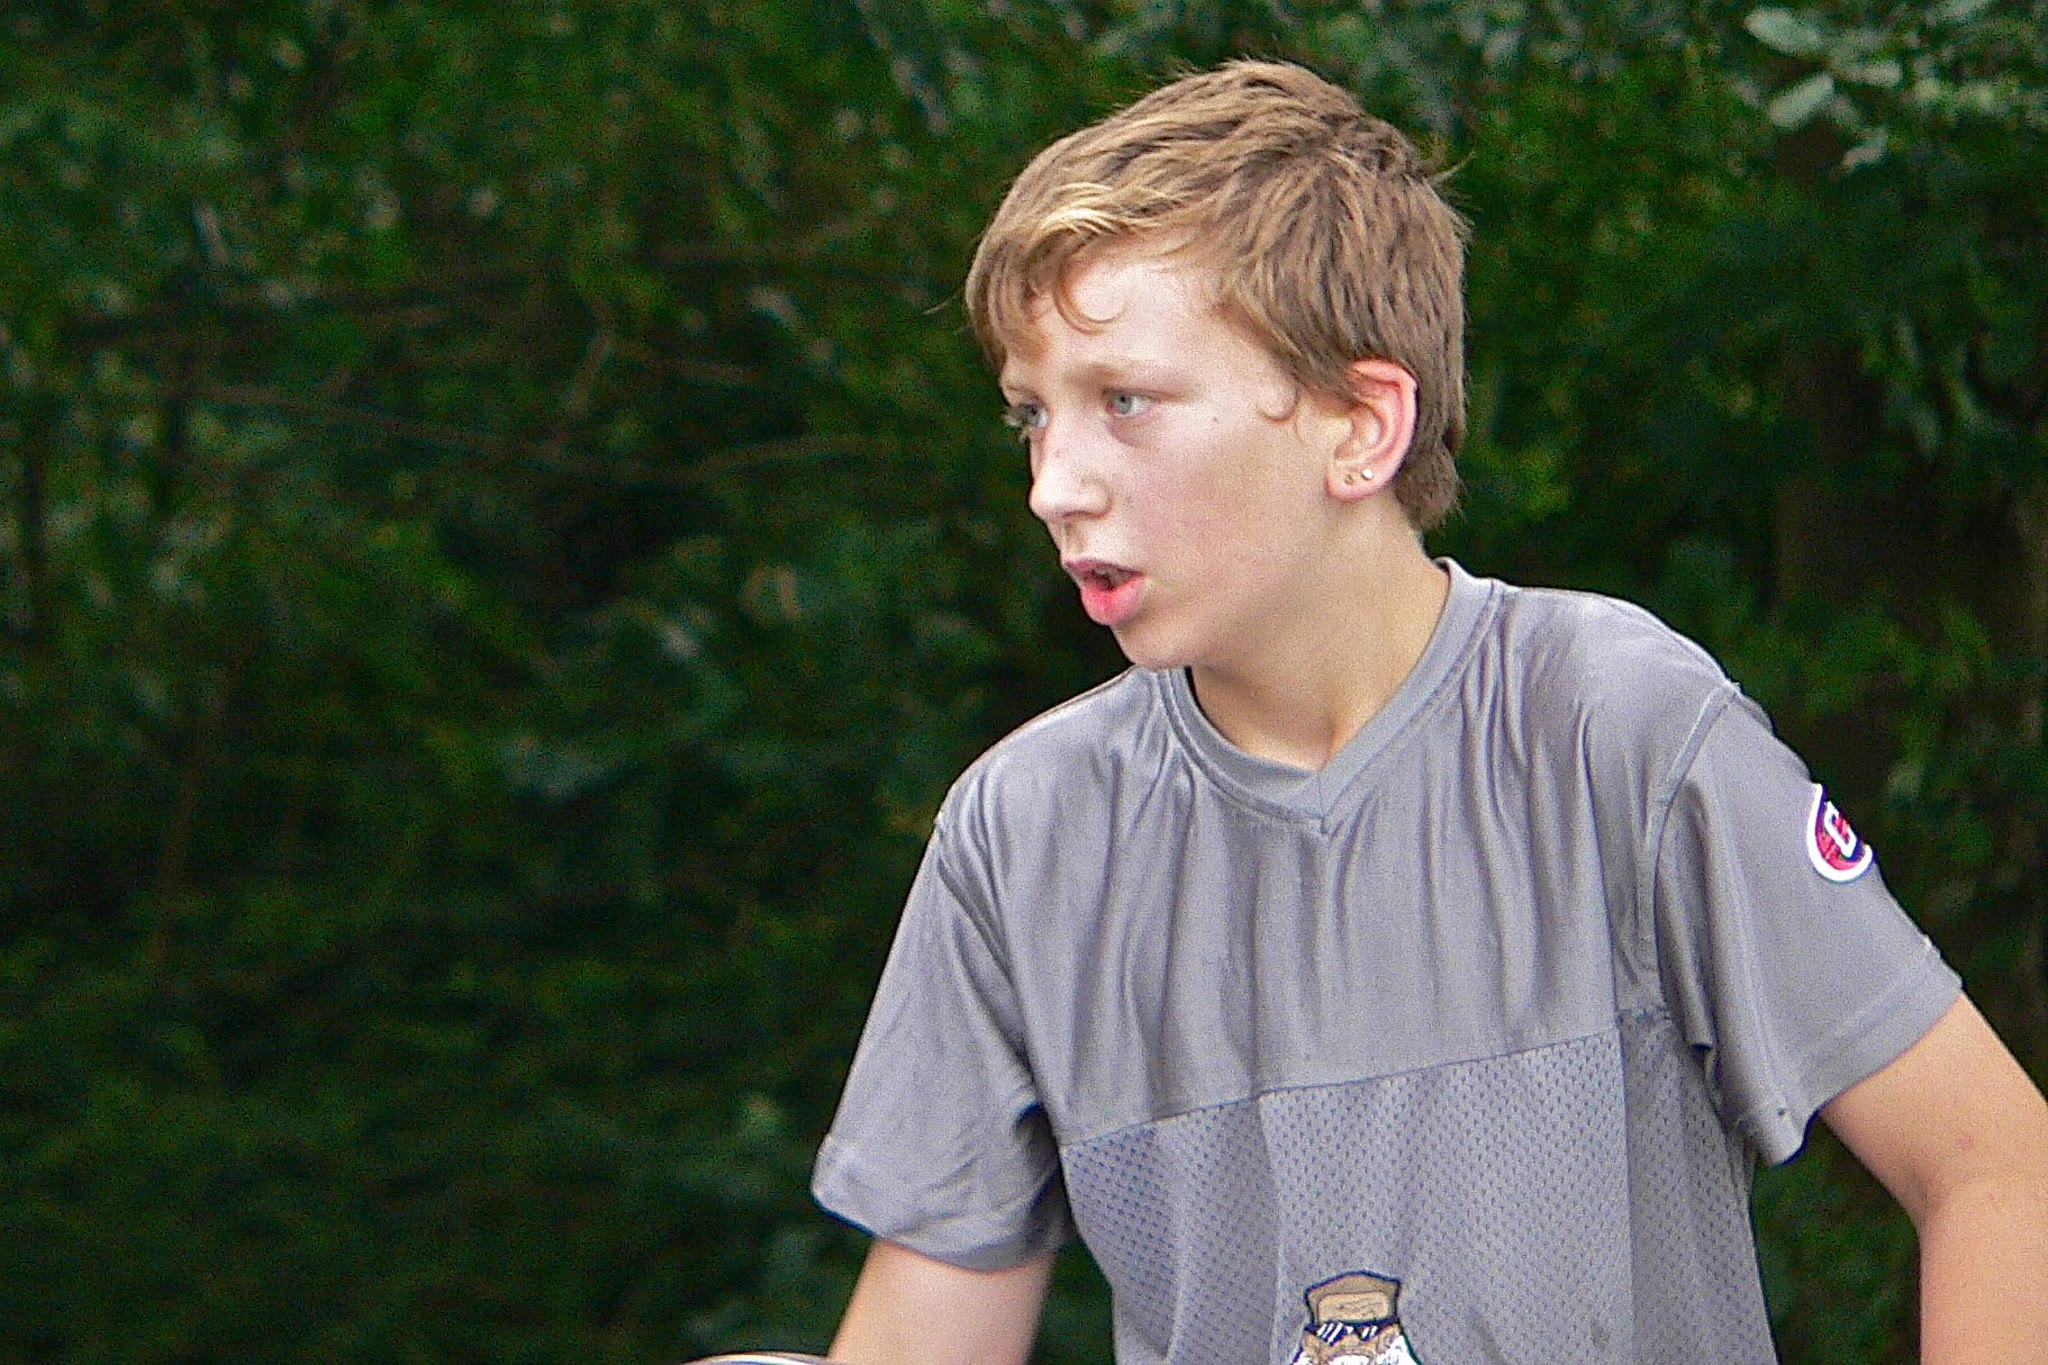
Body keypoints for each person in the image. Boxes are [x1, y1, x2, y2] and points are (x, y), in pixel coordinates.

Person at [796, 58, 2048, 1365]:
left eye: (1125, 402)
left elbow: (1998, 1171)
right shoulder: (1021, 836)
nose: (1055, 484)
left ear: (1361, 425)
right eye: (1032, 417)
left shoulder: (1614, 728)